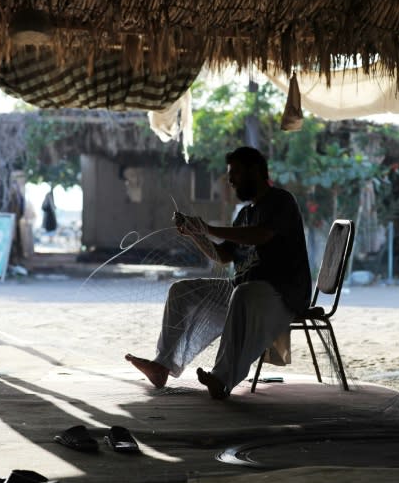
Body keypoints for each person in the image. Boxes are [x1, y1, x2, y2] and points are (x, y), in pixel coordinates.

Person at [125, 146, 311, 399]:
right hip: (245, 293)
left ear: (254, 170)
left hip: (282, 293)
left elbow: (261, 235)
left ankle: (222, 380)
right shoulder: (245, 214)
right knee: (181, 291)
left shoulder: (281, 201)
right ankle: (162, 366)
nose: (231, 180)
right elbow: (222, 256)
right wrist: (196, 233)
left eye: (234, 172)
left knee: (244, 292)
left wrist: (209, 228)